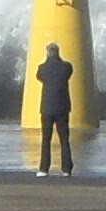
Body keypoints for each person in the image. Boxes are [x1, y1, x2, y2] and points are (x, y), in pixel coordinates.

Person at [36, 42, 73, 177]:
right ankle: (66, 169)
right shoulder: (66, 67)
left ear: (47, 53)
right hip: (63, 108)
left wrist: (47, 60)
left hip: (47, 109)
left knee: (46, 139)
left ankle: (44, 169)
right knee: (64, 139)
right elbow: (68, 74)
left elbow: (39, 77)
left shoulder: (43, 68)